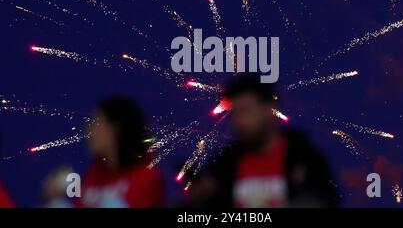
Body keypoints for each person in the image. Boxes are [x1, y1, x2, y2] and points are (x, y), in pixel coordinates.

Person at [188, 74, 338, 208]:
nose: (239, 121)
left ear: (269, 109)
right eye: (235, 113)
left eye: (247, 110)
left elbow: (324, 200)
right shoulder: (224, 165)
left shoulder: (306, 160)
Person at [78, 96, 164, 208]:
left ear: (115, 128)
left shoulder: (146, 177)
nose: (89, 131)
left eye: (96, 123)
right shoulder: (93, 175)